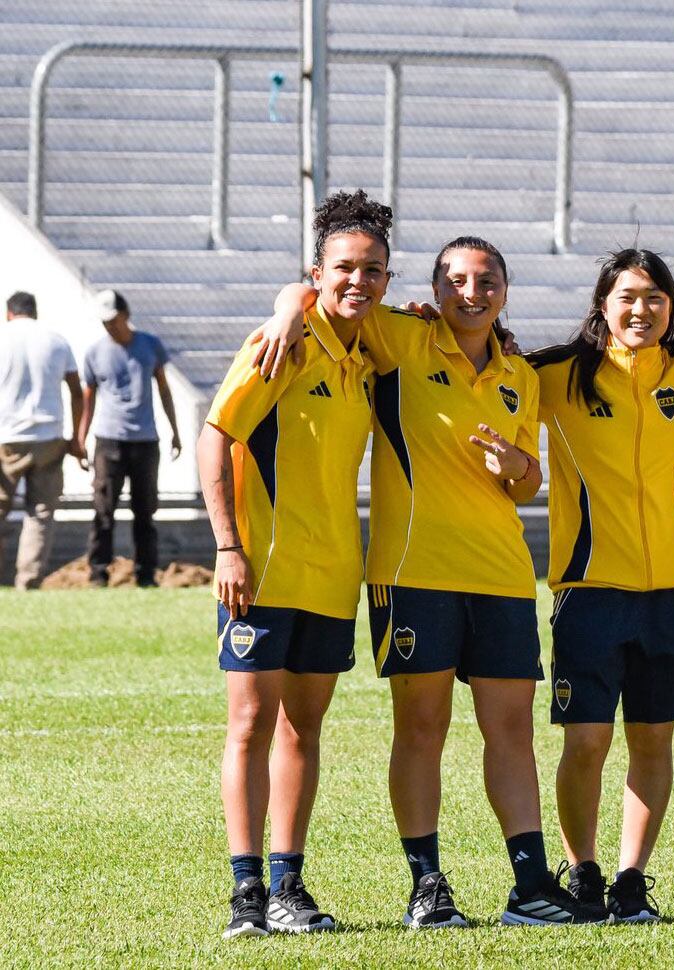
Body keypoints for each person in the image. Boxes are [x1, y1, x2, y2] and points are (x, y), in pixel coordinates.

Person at [256, 227, 578, 928]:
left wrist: (518, 468)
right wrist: (285, 309)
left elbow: (529, 482)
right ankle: (427, 886)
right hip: (413, 574)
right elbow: (331, 292)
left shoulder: (520, 375)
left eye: (486, 281)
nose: (472, 293)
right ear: (433, 291)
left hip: (503, 576)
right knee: (422, 726)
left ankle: (529, 887)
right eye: (456, 281)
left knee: (511, 730)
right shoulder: (400, 340)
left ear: (505, 292)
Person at [201, 191, 381, 938]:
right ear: (317, 274)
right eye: (344, 268)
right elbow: (215, 437)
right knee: (250, 723)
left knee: (304, 729)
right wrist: (227, 547)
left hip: (333, 574)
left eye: (372, 270)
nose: (358, 281)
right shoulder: (284, 341)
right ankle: (246, 893)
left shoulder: (367, 355)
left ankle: (287, 887)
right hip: (262, 571)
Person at [525, 249, 674, 924]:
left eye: (655, 296)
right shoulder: (557, 373)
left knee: (653, 742)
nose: (641, 309)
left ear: (672, 307)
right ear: (602, 305)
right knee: (586, 742)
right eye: (627, 296)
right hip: (590, 590)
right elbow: (480, 365)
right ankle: (583, 873)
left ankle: (631, 880)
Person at [77, 289, 180, 587]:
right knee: (103, 510)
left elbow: (164, 389)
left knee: (145, 510)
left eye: (113, 320)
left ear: (126, 315)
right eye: (105, 322)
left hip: (145, 439)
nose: (110, 326)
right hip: (108, 439)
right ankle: (98, 574)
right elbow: (88, 398)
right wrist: (81, 438)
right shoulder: (95, 352)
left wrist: (174, 431)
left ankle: (146, 574)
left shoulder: (150, 345)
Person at [0, 291, 84, 589]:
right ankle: (28, 581)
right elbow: (76, 391)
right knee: (40, 513)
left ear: (9, 313)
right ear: (34, 312)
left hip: (7, 436)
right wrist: (77, 438)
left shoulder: (3, 337)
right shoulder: (56, 341)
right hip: (49, 436)